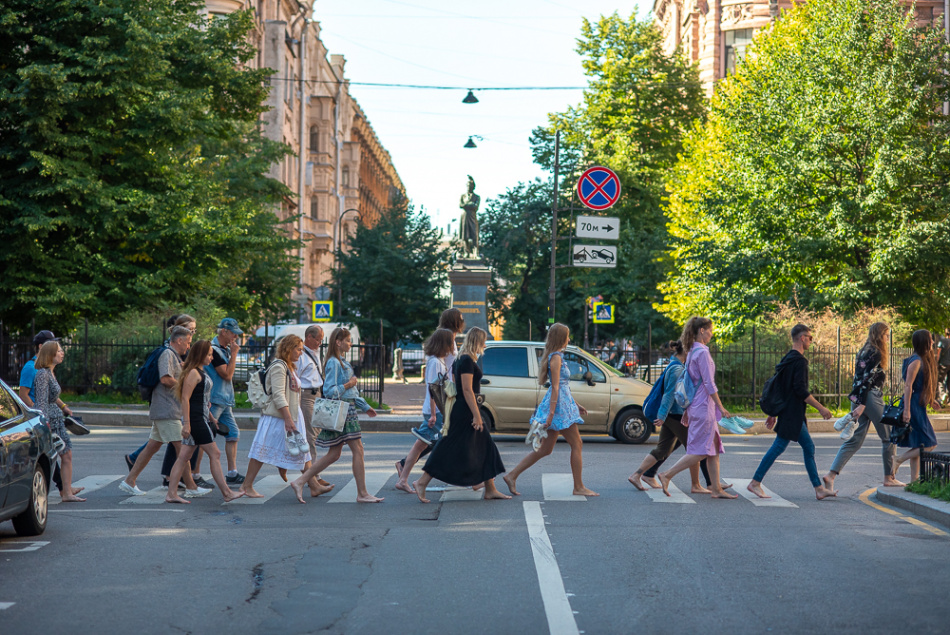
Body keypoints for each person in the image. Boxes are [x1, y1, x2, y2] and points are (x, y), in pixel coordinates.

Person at [413, 328, 510, 503]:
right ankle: (421, 482)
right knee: (447, 446)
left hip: (465, 409)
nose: (485, 345)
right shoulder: (465, 360)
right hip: (464, 411)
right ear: (477, 341)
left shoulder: (463, 359)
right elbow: (466, 389)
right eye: (483, 341)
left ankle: (490, 489)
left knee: (485, 446)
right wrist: (476, 415)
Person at [503, 324, 598, 497]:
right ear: (561, 338)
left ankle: (512, 475)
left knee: (545, 450)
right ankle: (578, 487)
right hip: (559, 408)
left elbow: (562, 386)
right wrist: (551, 415)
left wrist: (576, 404)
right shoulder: (556, 358)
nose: (569, 339)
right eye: (567, 336)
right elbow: (555, 388)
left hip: (563, 404)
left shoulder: (557, 357)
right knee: (577, 444)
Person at [746, 324, 836, 501]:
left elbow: (780, 387)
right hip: (792, 413)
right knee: (782, 446)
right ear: (802, 338)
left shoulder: (787, 358)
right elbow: (800, 390)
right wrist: (821, 408)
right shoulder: (800, 361)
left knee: (805, 447)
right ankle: (755, 482)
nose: (811, 341)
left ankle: (818, 488)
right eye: (810, 337)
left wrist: (773, 412)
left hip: (789, 412)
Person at [290, 328, 380, 503]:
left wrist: (365, 406)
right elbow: (330, 391)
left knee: (334, 454)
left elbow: (352, 391)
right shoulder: (334, 362)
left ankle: (300, 481)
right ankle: (362, 494)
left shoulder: (341, 361)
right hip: (344, 411)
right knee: (358, 450)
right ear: (338, 342)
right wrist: (348, 384)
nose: (350, 344)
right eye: (347, 340)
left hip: (348, 409)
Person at [120, 326, 209, 497]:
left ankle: (129, 481)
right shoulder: (167, 354)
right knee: (183, 448)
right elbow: (165, 378)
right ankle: (191, 486)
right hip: (166, 409)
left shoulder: (173, 355)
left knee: (152, 447)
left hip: (166, 409)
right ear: (179, 340)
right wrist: (185, 388)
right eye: (188, 343)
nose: (188, 347)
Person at [658, 317, 738, 499]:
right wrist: (721, 406)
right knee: (701, 451)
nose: (711, 333)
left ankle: (716, 489)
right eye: (710, 330)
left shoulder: (692, 351)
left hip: (698, 406)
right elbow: (709, 383)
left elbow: (690, 383)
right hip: (704, 407)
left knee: (714, 449)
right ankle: (666, 474)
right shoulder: (701, 353)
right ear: (701, 330)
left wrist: (688, 410)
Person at [241, 335, 330, 498]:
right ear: (288, 348)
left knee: (303, 451)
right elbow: (279, 395)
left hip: (290, 415)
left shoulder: (289, 366)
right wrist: (288, 419)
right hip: (279, 417)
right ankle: (246, 486)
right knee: (260, 452)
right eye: (298, 349)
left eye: (302, 349)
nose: (301, 353)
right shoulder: (279, 366)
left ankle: (314, 485)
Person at [823, 322, 903, 490]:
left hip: (859, 397)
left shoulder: (863, 350)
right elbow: (868, 380)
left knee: (855, 440)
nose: (888, 339)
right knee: (890, 435)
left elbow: (858, 379)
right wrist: (863, 404)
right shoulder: (876, 352)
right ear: (880, 335)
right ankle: (889, 477)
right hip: (869, 398)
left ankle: (831, 475)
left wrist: (858, 402)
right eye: (887, 335)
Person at [628, 340, 715, 494]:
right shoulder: (676, 370)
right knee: (694, 450)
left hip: (672, 415)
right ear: (687, 351)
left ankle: (639, 475)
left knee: (663, 449)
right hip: (675, 415)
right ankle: (698, 485)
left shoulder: (676, 366)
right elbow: (669, 395)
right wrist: (661, 416)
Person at [164, 340, 244, 504]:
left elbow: (200, 399)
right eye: (208, 354)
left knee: (183, 457)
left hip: (200, 418)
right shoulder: (193, 373)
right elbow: (185, 399)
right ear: (200, 355)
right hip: (195, 420)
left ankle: (171, 493)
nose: (211, 357)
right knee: (215, 454)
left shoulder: (199, 371)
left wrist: (212, 418)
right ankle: (227, 492)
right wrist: (187, 423)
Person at [395, 308, 465, 476]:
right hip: (441, 400)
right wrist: (435, 411)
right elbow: (439, 381)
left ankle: (404, 468)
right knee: (443, 440)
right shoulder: (446, 339)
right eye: (460, 318)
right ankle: (423, 475)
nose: (463, 320)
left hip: (443, 397)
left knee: (429, 441)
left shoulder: (445, 343)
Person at [394, 328, 455, 493]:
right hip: (434, 411)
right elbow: (433, 388)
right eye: (451, 342)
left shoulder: (439, 361)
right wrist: (434, 414)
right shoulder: (435, 362)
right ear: (445, 344)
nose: (453, 346)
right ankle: (405, 478)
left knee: (421, 445)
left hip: (437, 410)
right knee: (426, 446)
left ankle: (403, 476)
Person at [18, 330, 69, 495]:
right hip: (38, 417)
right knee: (48, 454)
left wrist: (63, 407)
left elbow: (51, 395)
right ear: (41, 346)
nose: (57, 349)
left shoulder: (47, 368)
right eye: (52, 343)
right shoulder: (31, 368)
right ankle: (62, 489)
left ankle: (64, 488)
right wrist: (38, 414)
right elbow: (23, 394)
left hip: (48, 415)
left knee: (53, 453)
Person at [33, 340, 85, 502]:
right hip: (50, 423)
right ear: (50, 354)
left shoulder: (50, 372)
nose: (62, 353)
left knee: (66, 454)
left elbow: (51, 397)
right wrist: (45, 425)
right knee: (61, 455)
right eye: (59, 351)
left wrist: (63, 407)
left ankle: (67, 491)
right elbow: (41, 403)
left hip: (57, 419)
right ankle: (66, 492)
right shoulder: (43, 374)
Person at [197, 317, 245, 487]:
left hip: (224, 400)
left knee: (233, 434)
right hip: (215, 400)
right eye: (233, 333)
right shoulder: (215, 350)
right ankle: (195, 474)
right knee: (205, 438)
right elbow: (227, 374)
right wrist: (234, 354)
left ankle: (232, 473)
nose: (236, 337)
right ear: (224, 331)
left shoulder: (222, 349)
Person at [891, 330, 941, 483]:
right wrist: (906, 410)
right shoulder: (916, 360)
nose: (932, 342)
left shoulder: (921, 359)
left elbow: (920, 385)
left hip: (918, 404)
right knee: (929, 443)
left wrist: (931, 400)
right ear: (924, 341)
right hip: (913, 405)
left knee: (918, 443)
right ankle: (898, 459)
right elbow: (908, 386)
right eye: (930, 339)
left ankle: (914, 481)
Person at [295, 325, 333, 495]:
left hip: (317, 395)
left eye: (321, 339)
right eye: (318, 339)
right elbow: (295, 378)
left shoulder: (315, 353)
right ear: (309, 337)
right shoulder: (300, 354)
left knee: (315, 435)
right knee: (310, 437)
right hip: (306, 397)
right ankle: (314, 478)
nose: (320, 342)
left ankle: (313, 475)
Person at [936, 328, 950, 404]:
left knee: (940, 381)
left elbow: (938, 353)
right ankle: (948, 399)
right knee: (949, 382)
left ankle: (943, 395)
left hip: (944, 364)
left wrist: (937, 362)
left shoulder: (942, 341)